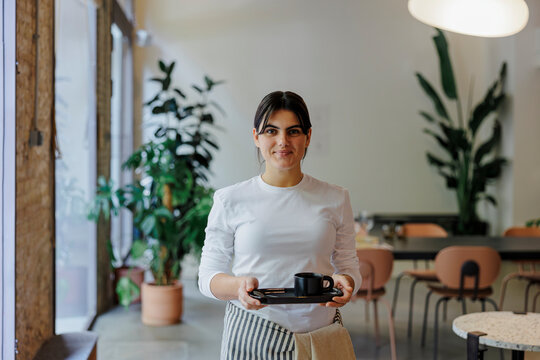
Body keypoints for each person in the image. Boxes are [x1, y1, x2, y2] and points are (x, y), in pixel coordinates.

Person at [198, 90, 361, 359]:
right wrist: (238, 287)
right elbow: (207, 276)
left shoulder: (336, 198)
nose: (282, 141)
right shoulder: (230, 199)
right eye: (271, 131)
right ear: (256, 137)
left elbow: (348, 265)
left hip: (321, 335)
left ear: (308, 136)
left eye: (293, 131)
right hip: (252, 333)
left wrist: (348, 281)